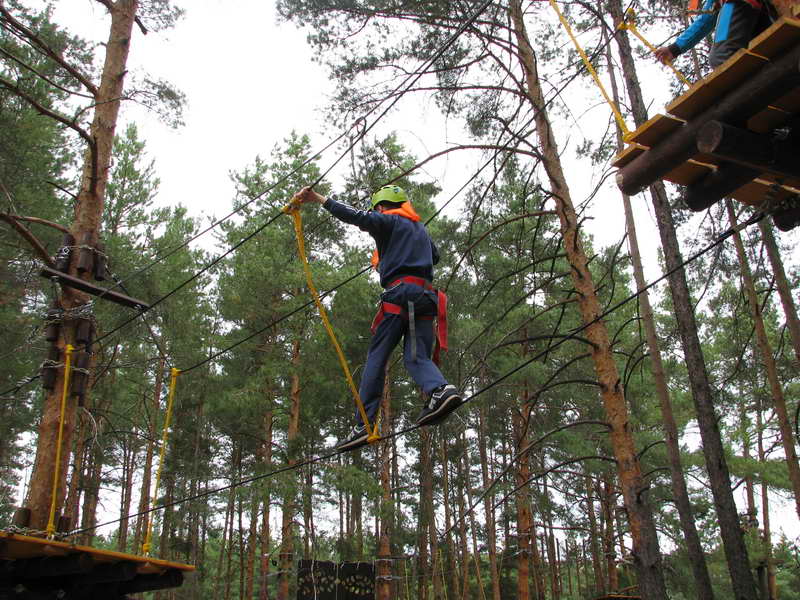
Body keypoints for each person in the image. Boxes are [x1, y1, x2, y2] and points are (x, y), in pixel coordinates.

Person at [291, 184, 462, 451]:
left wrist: (318, 198)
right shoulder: (421, 230)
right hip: (427, 298)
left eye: (377, 211)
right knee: (417, 357)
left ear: (381, 208)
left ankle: (365, 425)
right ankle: (440, 390)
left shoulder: (388, 221)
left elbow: (356, 217)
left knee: (376, 358)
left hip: (400, 295)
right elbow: (435, 255)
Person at [654, 0, 774, 70]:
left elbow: (707, 18)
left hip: (740, 3)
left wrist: (674, 49)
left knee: (720, 58)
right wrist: (674, 49)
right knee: (761, 49)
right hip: (762, 11)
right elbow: (708, 16)